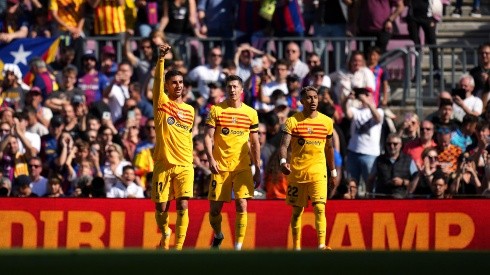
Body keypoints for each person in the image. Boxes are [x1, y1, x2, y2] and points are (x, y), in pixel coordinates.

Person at [204, 74, 261, 250]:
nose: (232, 89)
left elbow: (255, 142)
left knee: (242, 203)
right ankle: (219, 234)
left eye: (235, 86)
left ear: (242, 90)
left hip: (242, 166)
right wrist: (211, 159)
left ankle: (238, 247)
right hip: (220, 166)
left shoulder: (251, 113)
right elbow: (207, 136)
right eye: (229, 86)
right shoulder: (216, 110)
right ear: (225, 89)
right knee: (214, 211)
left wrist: (257, 167)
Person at [279, 86, 336, 250]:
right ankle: (296, 248)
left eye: (315, 97)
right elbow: (284, 145)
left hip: (318, 172)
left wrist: (333, 171)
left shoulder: (326, 122)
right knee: (297, 212)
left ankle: (321, 245)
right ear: (302, 101)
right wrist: (283, 161)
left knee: (319, 207)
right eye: (309, 98)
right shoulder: (293, 121)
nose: (313, 101)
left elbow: (329, 148)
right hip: (297, 172)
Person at [152, 44, 195, 250]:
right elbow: (157, 81)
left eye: (180, 82)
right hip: (163, 163)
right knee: (161, 207)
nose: (178, 86)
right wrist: (161, 59)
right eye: (173, 83)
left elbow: (186, 136)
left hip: (185, 164)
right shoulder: (161, 103)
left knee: (183, 204)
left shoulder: (190, 110)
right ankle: (166, 231)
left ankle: (178, 248)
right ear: (167, 86)